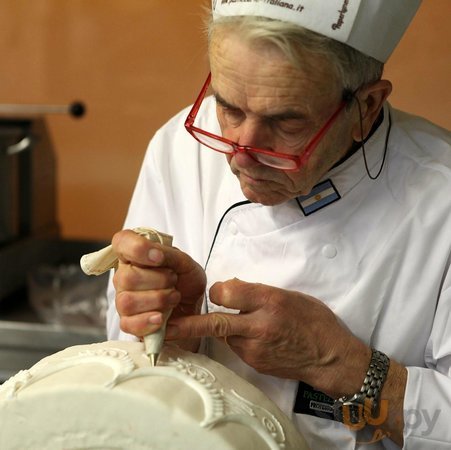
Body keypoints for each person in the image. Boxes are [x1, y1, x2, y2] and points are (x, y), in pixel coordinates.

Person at [107, 1, 451, 448]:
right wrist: (168, 327)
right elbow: (120, 359)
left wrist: (341, 364)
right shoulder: (179, 148)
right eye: (227, 107)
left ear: (366, 107)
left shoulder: (440, 198)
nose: (240, 152)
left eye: (285, 121)